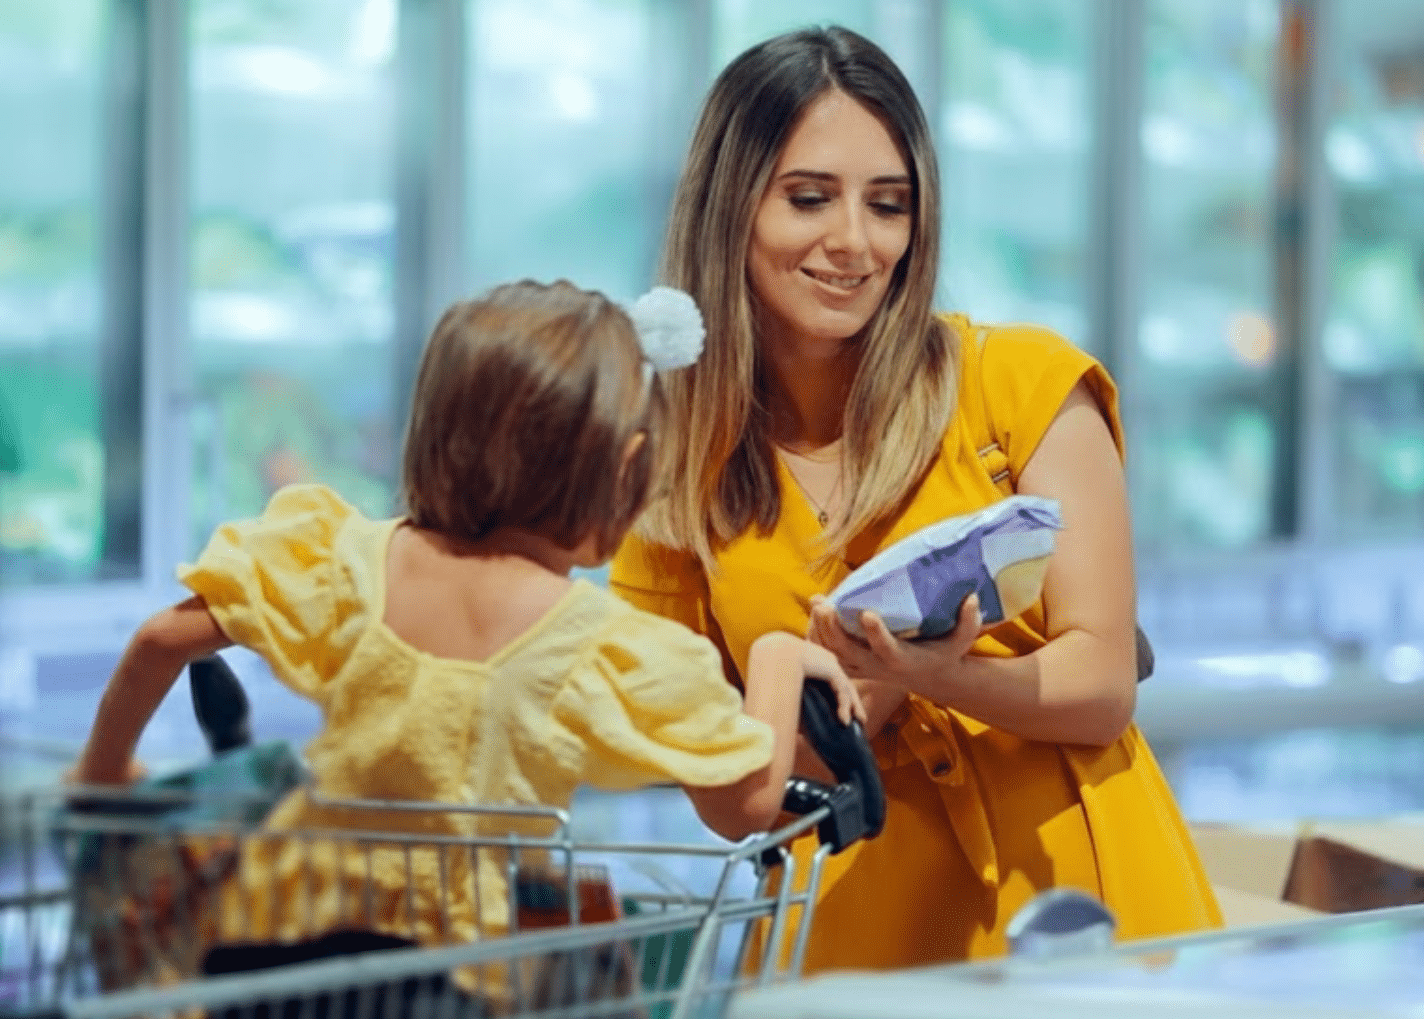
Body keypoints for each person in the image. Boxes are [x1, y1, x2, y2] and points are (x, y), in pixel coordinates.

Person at [610, 26, 1223, 973]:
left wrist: (934, 673)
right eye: (808, 198)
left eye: (888, 206)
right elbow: (740, 796)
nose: (853, 243)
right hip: (851, 942)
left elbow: (1101, 688)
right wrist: (870, 681)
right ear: (729, 209)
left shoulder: (1023, 388)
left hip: (1089, 920)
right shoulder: (669, 483)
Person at [68, 279, 864, 966]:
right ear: (626, 468)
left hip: (282, 933)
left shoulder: (342, 559)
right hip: (455, 969)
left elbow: (159, 640)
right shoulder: (601, 645)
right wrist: (776, 656)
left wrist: (101, 782)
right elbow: (746, 805)